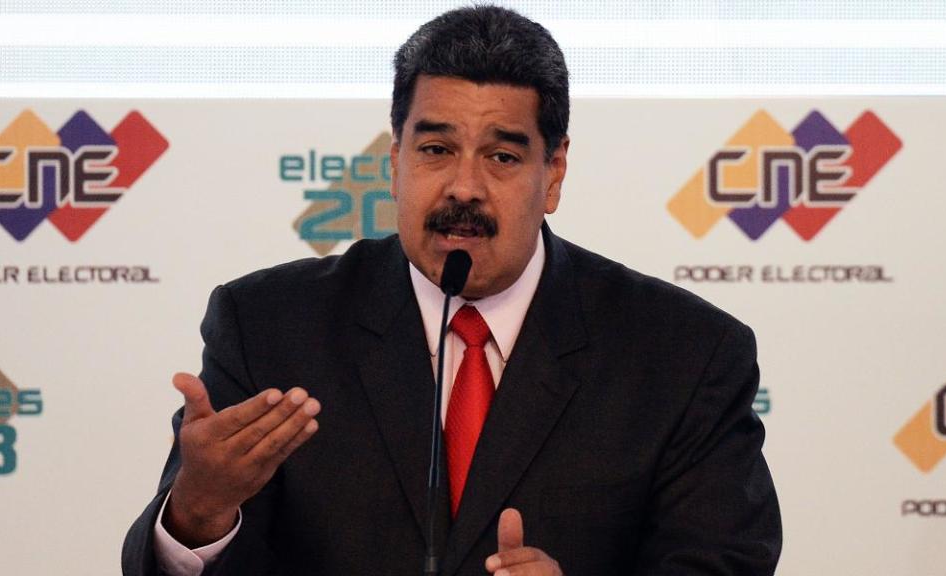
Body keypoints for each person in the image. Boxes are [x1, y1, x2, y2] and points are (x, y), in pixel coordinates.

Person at [123, 6, 782, 575]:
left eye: (501, 156)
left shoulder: (685, 353)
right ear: (394, 162)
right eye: (436, 149)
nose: (464, 187)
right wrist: (200, 511)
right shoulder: (270, 326)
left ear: (552, 174)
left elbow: (725, 560)